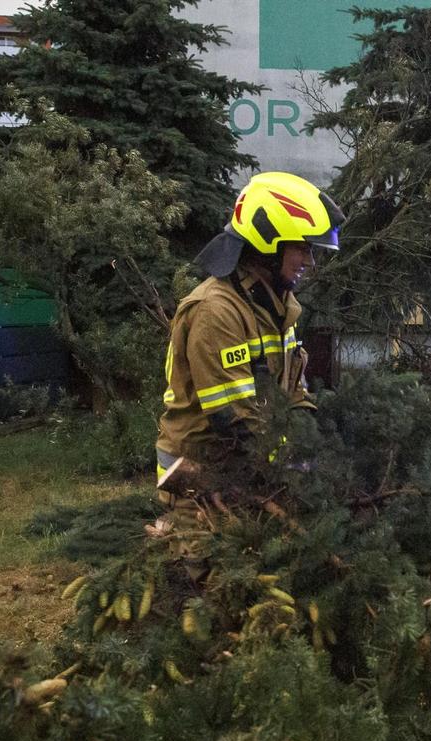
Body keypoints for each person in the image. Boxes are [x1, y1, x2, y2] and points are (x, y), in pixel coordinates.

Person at [154, 172, 344, 574]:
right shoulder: (217, 311)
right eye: (304, 249)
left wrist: (317, 444)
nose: (310, 261)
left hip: (246, 463)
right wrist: (294, 468)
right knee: (211, 584)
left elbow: (293, 392)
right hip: (200, 474)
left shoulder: (277, 307)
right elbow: (234, 420)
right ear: (268, 245)